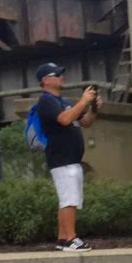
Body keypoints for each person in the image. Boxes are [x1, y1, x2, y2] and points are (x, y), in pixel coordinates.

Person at [35, 62, 98, 252]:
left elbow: (85, 123)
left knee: (69, 199)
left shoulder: (64, 102)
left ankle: (62, 238)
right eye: (57, 74)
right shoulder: (45, 101)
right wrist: (83, 100)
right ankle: (71, 238)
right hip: (61, 158)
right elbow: (64, 119)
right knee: (69, 199)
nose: (62, 77)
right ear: (46, 80)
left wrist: (93, 108)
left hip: (71, 159)